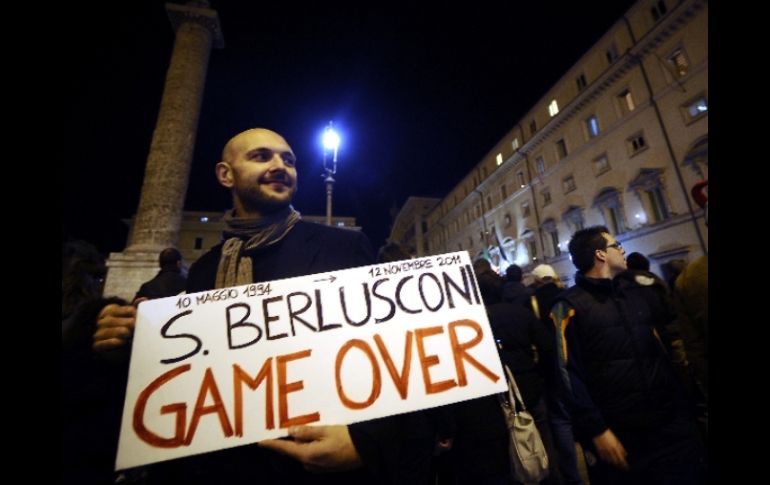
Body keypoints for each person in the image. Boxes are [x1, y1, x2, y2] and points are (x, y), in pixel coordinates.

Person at [91, 128, 407, 484]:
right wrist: (128, 345)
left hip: (312, 469)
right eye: (261, 157)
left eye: (288, 160)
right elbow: (192, 377)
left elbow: (399, 358)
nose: (280, 166)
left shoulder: (343, 248)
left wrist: (366, 443)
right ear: (226, 174)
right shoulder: (204, 270)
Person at [550, 226, 705, 484]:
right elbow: (567, 374)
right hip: (621, 434)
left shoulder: (638, 292)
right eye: (616, 245)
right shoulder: (568, 306)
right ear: (600, 254)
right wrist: (597, 430)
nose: (623, 250)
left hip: (670, 426)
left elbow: (665, 347)